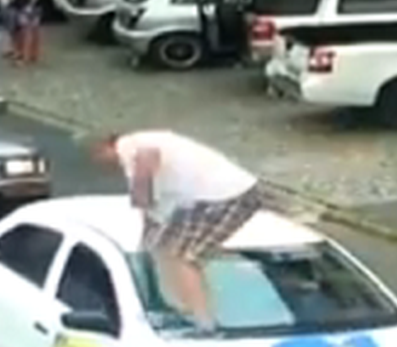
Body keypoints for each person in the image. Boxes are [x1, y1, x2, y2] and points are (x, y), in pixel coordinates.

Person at [88, 130, 272, 331]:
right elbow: (159, 211)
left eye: (97, 155)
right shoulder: (138, 149)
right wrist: (148, 227)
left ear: (105, 146)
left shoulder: (129, 145)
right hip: (211, 198)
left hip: (224, 196)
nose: (98, 162)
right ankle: (183, 307)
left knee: (180, 255)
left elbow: (149, 158)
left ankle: (205, 323)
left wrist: (142, 197)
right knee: (165, 249)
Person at [3, 0, 43, 65]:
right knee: (24, 32)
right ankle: (26, 54)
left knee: (26, 33)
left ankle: (25, 56)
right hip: (21, 8)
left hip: (26, 9)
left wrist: (29, 7)